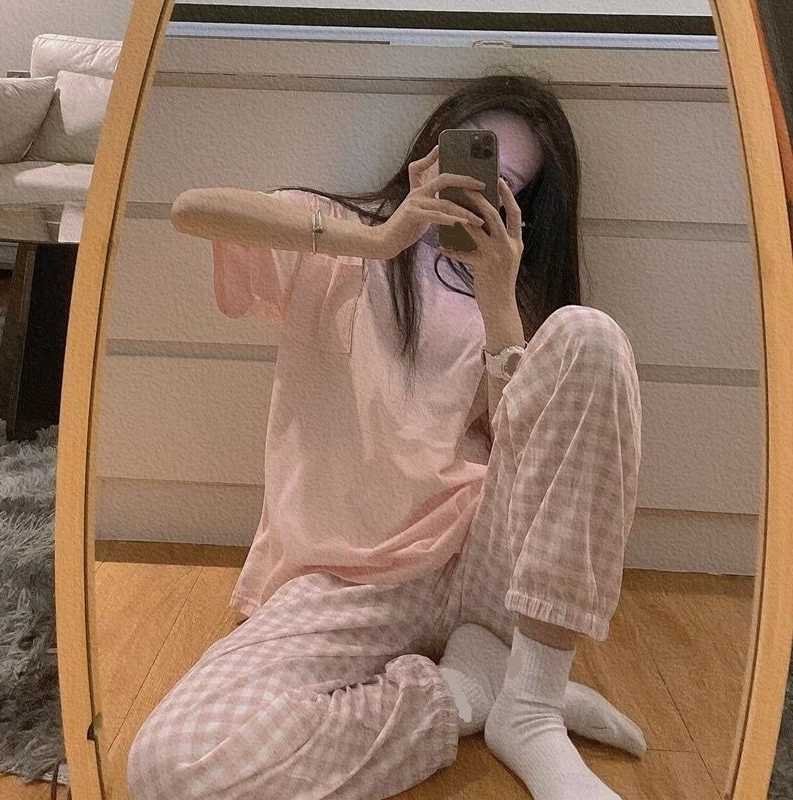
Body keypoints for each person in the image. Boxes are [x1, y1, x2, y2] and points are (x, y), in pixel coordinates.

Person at [126, 72, 644, 800]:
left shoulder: (513, 286)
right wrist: (376, 238)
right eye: (471, 157)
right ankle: (471, 692)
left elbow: (522, 451)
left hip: (484, 561)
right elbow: (193, 210)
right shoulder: (336, 234)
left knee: (591, 335)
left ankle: (530, 702)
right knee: (170, 768)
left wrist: (498, 299)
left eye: (506, 184)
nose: (477, 189)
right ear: (432, 148)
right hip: (351, 577)